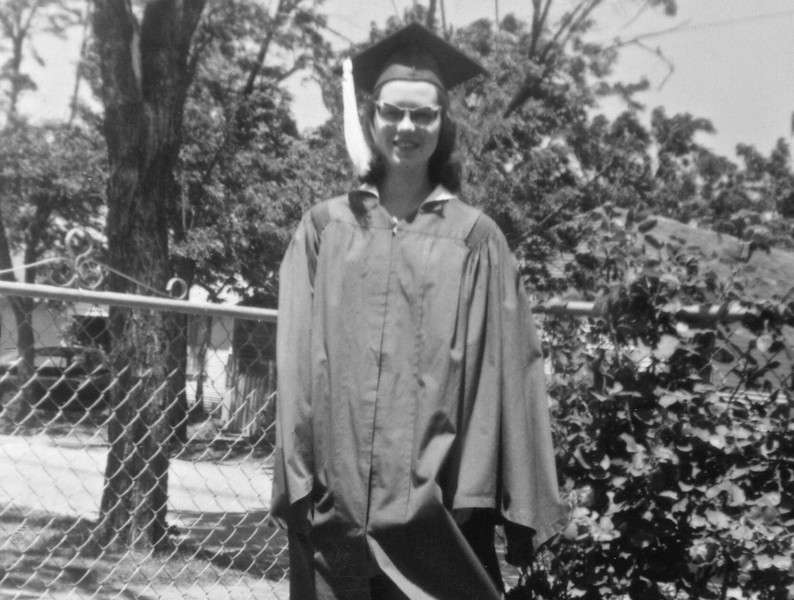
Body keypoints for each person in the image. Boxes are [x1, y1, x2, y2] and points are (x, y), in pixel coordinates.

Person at [271, 22, 568, 600]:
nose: (406, 127)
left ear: (443, 125)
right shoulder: (325, 229)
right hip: (335, 507)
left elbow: (506, 375)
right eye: (392, 112)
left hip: (439, 514)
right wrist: (301, 480)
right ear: (372, 118)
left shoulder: (475, 239)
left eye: (423, 115)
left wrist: (482, 496)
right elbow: (296, 364)